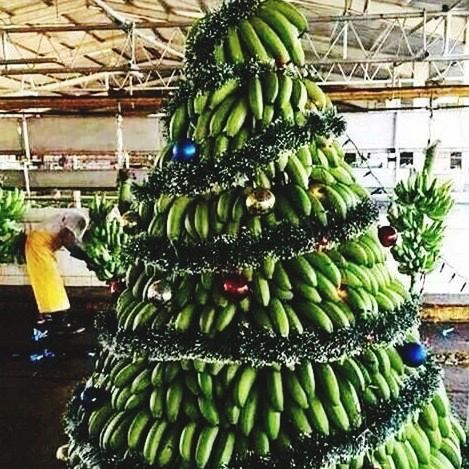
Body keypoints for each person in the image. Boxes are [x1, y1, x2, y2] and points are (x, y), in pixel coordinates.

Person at [25, 209, 91, 336]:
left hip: (40, 244)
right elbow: (67, 240)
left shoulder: (75, 216)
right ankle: (59, 325)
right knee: (51, 284)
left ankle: (53, 319)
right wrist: (86, 257)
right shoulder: (79, 220)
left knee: (48, 283)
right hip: (39, 245)